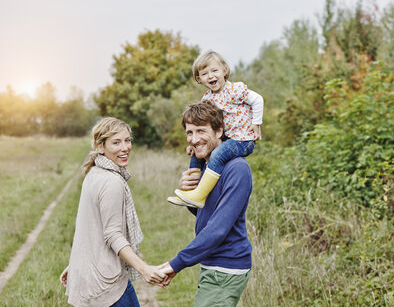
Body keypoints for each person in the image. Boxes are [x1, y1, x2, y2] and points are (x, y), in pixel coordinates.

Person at [59, 117, 167, 307]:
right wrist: (144, 269)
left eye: (127, 140)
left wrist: (78, 264)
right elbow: (112, 234)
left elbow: (91, 227)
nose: (125, 148)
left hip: (89, 276)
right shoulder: (112, 182)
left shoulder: (93, 173)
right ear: (101, 146)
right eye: (116, 142)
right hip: (106, 283)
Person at [161, 101, 253, 307]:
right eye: (189, 133)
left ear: (219, 130)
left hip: (227, 267)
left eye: (201, 131)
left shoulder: (237, 168)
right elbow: (206, 214)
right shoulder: (208, 166)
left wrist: (177, 263)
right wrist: (188, 194)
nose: (193, 140)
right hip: (212, 263)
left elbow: (218, 228)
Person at [167, 50, 263, 208]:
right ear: (199, 79)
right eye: (204, 73)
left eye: (215, 70)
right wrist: (196, 143)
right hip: (227, 139)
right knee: (196, 155)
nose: (211, 76)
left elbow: (258, 100)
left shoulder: (235, 89)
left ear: (224, 71)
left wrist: (256, 123)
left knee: (218, 154)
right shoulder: (207, 99)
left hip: (242, 140)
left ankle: (199, 195)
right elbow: (204, 125)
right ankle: (192, 191)